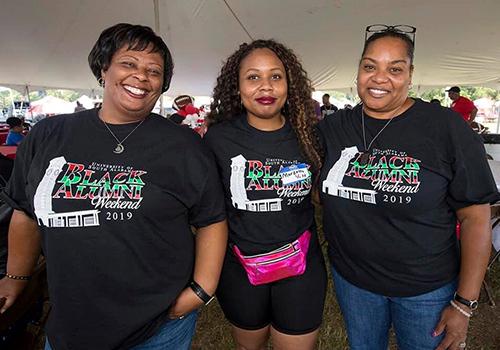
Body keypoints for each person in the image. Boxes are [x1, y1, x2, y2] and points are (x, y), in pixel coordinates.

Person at [0, 23, 228, 350]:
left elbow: (212, 218)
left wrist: (201, 290)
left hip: (158, 327)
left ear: (162, 84)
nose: (141, 76)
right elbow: (25, 210)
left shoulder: (184, 146)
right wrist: (16, 277)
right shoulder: (48, 135)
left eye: (154, 71)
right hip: (72, 322)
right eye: (129, 64)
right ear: (103, 68)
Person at [318, 25, 499, 350]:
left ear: (411, 73)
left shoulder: (445, 128)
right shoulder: (333, 127)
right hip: (353, 281)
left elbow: (475, 218)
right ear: (358, 69)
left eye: (395, 69)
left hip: (426, 290)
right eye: (370, 66)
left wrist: (464, 303)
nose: (379, 78)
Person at [204, 39, 327, 350]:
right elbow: (207, 210)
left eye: (275, 76)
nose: (266, 86)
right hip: (239, 265)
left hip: (300, 263)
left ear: (289, 84)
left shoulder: (308, 136)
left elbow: (319, 194)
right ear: (237, 87)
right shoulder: (218, 139)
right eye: (253, 77)